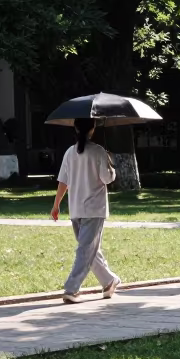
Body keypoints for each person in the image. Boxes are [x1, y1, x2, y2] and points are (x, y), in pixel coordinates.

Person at [50, 118, 121, 304]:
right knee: (87, 249)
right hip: (95, 209)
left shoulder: (69, 152)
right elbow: (107, 178)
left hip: (76, 208)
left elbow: (63, 181)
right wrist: (110, 164)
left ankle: (106, 282)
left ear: (75, 128)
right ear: (93, 128)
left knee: (87, 248)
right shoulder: (99, 151)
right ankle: (75, 289)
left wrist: (56, 204)